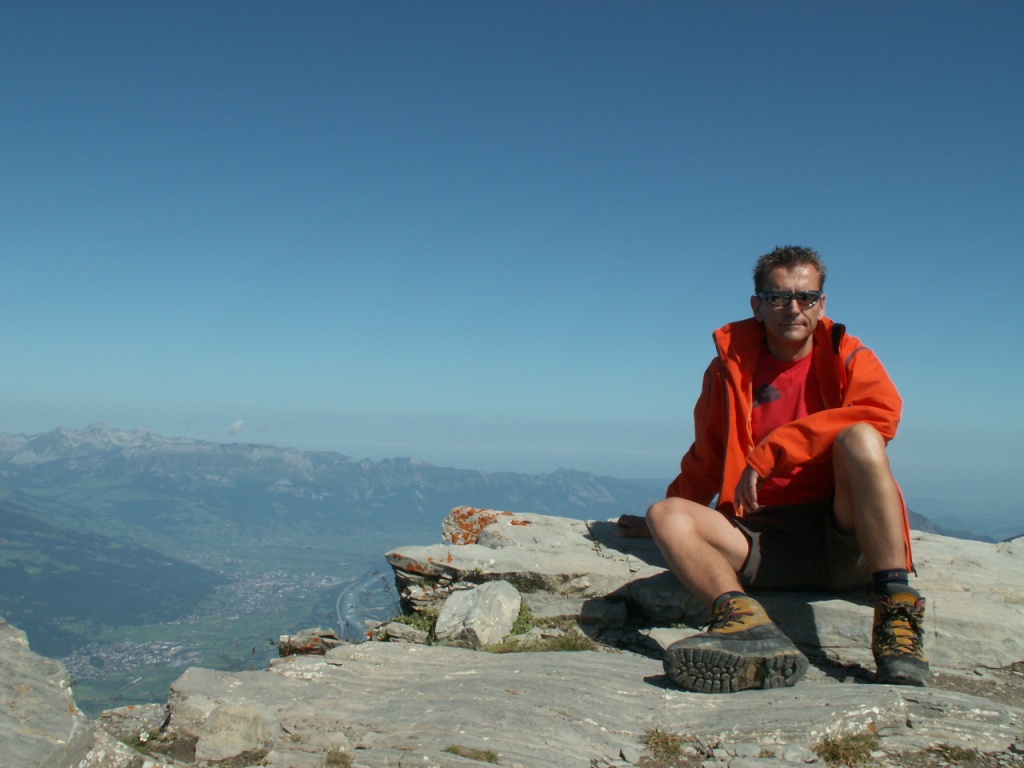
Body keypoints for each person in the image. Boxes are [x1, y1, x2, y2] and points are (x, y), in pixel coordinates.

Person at [638, 245, 928, 694]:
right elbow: (708, 455)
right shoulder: (729, 368)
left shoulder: (848, 355)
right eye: (778, 298)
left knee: (862, 438)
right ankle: (745, 624)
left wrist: (774, 450)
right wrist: (660, 525)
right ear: (757, 306)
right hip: (761, 539)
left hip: (843, 535)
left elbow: (882, 412)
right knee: (665, 514)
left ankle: (896, 615)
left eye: (806, 297)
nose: (793, 308)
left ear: (821, 304)